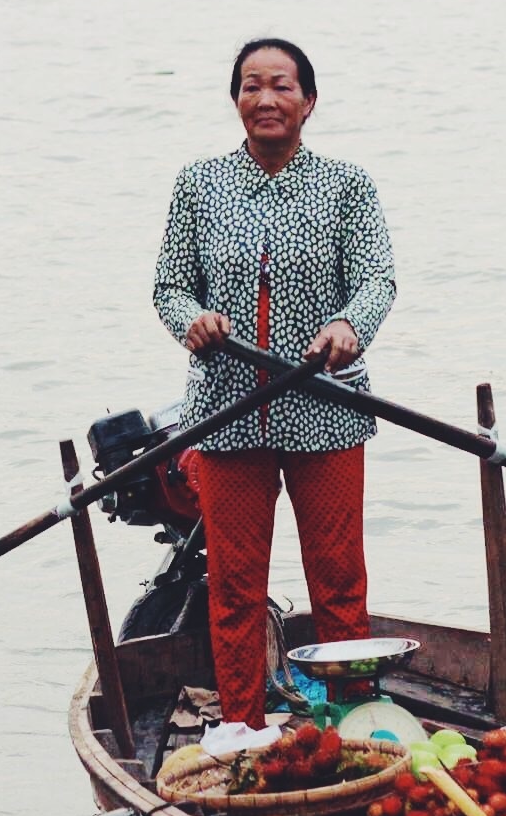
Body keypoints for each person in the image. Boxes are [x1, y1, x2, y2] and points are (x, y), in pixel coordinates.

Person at [152, 39, 397, 728]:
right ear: (236, 100)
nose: (266, 98)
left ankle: (353, 721)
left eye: (282, 86)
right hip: (228, 411)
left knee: (338, 579)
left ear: (308, 102)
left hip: (326, 409)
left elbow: (376, 279)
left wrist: (349, 325)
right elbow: (170, 287)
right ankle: (241, 726)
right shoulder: (199, 184)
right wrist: (193, 320)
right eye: (251, 85)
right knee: (234, 583)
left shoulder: (346, 185)